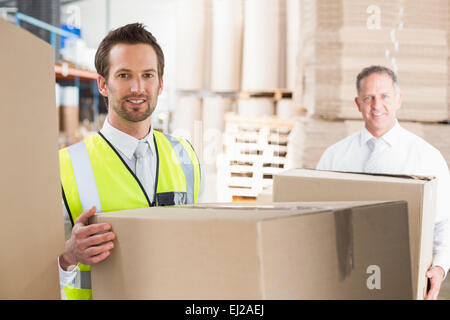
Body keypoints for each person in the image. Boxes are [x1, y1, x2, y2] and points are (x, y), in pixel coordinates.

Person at [57, 23, 202, 300]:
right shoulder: (65, 166)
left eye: (147, 75)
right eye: (124, 75)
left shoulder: (186, 156)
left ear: (160, 83)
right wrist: (68, 255)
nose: (137, 87)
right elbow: (29, 274)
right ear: (103, 84)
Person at [316, 65, 450, 300]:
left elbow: (445, 222)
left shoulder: (427, 157)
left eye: (384, 96)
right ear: (358, 104)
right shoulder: (334, 156)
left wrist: (439, 267)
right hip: (344, 279)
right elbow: (315, 217)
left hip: (404, 274)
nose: (377, 105)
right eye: (368, 98)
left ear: (398, 100)